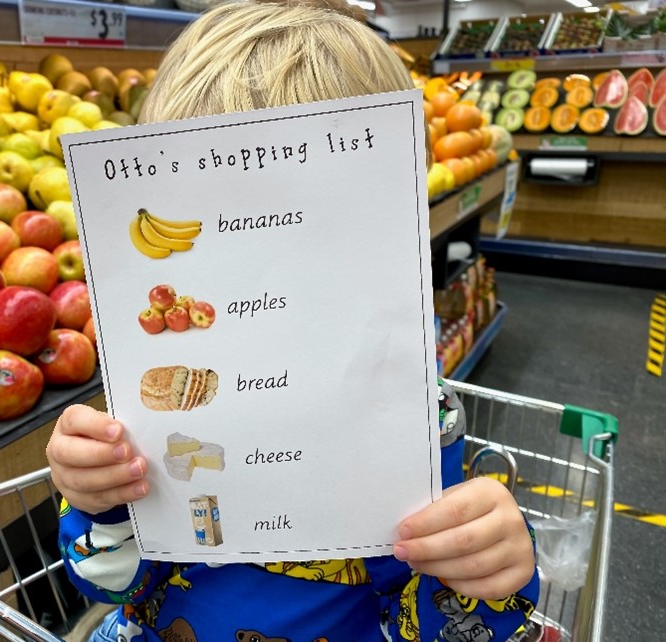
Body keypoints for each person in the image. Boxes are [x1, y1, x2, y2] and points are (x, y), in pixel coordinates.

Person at [47, 2, 539, 640]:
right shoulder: (158, 397)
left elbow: (433, 626)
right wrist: (98, 503)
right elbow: (111, 582)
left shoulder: (411, 416)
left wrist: (488, 569)